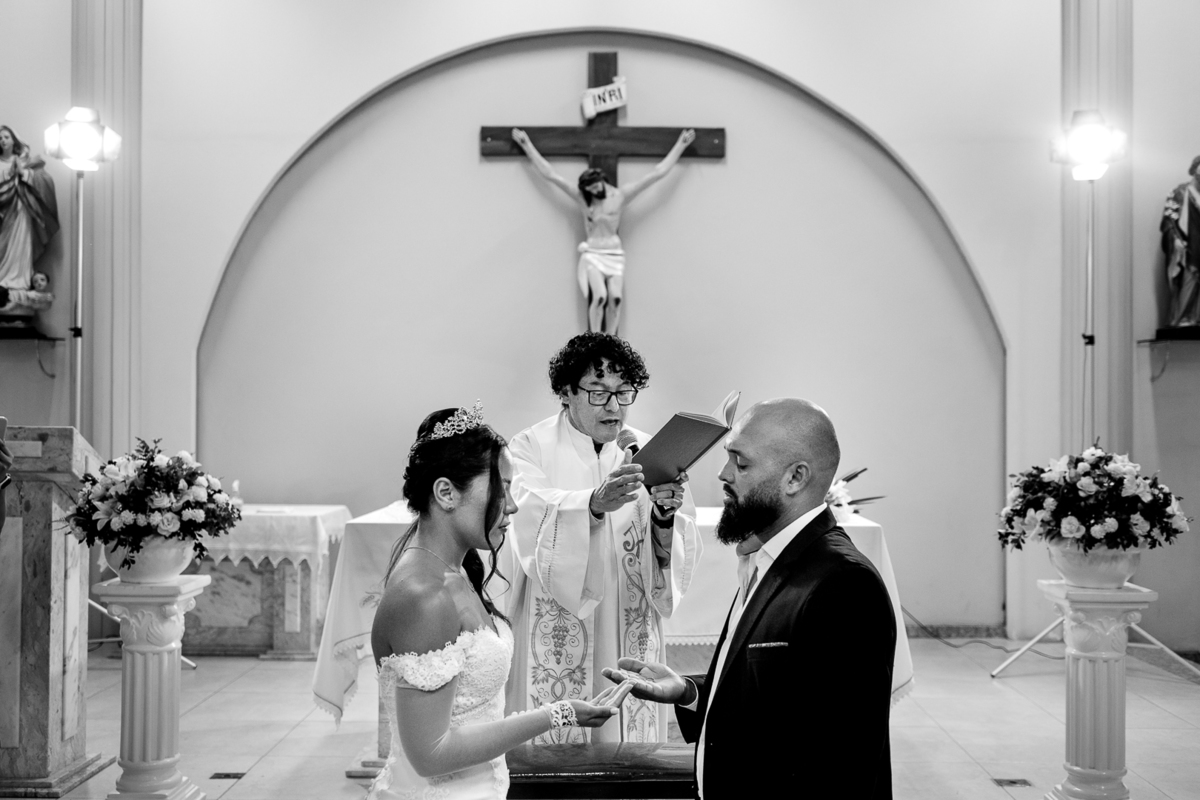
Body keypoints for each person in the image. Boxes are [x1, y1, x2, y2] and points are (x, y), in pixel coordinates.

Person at [602, 399, 896, 799]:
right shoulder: (770, 557)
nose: (723, 475)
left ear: (795, 478)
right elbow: (774, 699)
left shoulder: (842, 584)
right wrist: (689, 692)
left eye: (740, 464)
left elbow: (842, 765)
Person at [368, 402, 632, 800]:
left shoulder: (455, 568)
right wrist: (556, 714)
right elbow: (431, 755)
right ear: (446, 493)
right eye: (501, 487)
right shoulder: (423, 597)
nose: (512, 505)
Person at [497, 333, 701, 744]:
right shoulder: (529, 446)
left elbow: (674, 543)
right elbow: (527, 510)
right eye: (598, 392)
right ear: (567, 392)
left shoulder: (646, 449)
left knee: (628, 745)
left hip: (627, 617)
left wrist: (664, 514)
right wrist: (591, 504)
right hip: (553, 625)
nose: (613, 406)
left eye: (624, 392)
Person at [511, 127, 696, 334]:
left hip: (614, 254)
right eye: (590, 190)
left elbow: (656, 174)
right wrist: (527, 145)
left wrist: (681, 144)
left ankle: (611, 342)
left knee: (615, 299)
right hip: (593, 254)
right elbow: (551, 175)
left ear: (602, 181)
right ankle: (595, 339)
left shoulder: (620, 196)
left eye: (596, 187)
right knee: (599, 296)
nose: (595, 192)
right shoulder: (584, 200)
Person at [0, 126, 59, 314]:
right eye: (0, 137)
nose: (3, 140)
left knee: (18, 244)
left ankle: (17, 283)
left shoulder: (25, 161)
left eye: (6, 136)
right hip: (2, 213)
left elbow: (44, 182)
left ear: (14, 140)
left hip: (20, 210)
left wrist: (24, 173)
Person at [1161, 156, 1200, 327]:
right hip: (1188, 246)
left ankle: (1195, 317)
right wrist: (1176, 239)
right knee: (1188, 278)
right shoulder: (1180, 192)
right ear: (1194, 170)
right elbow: (1168, 221)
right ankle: (1181, 318)